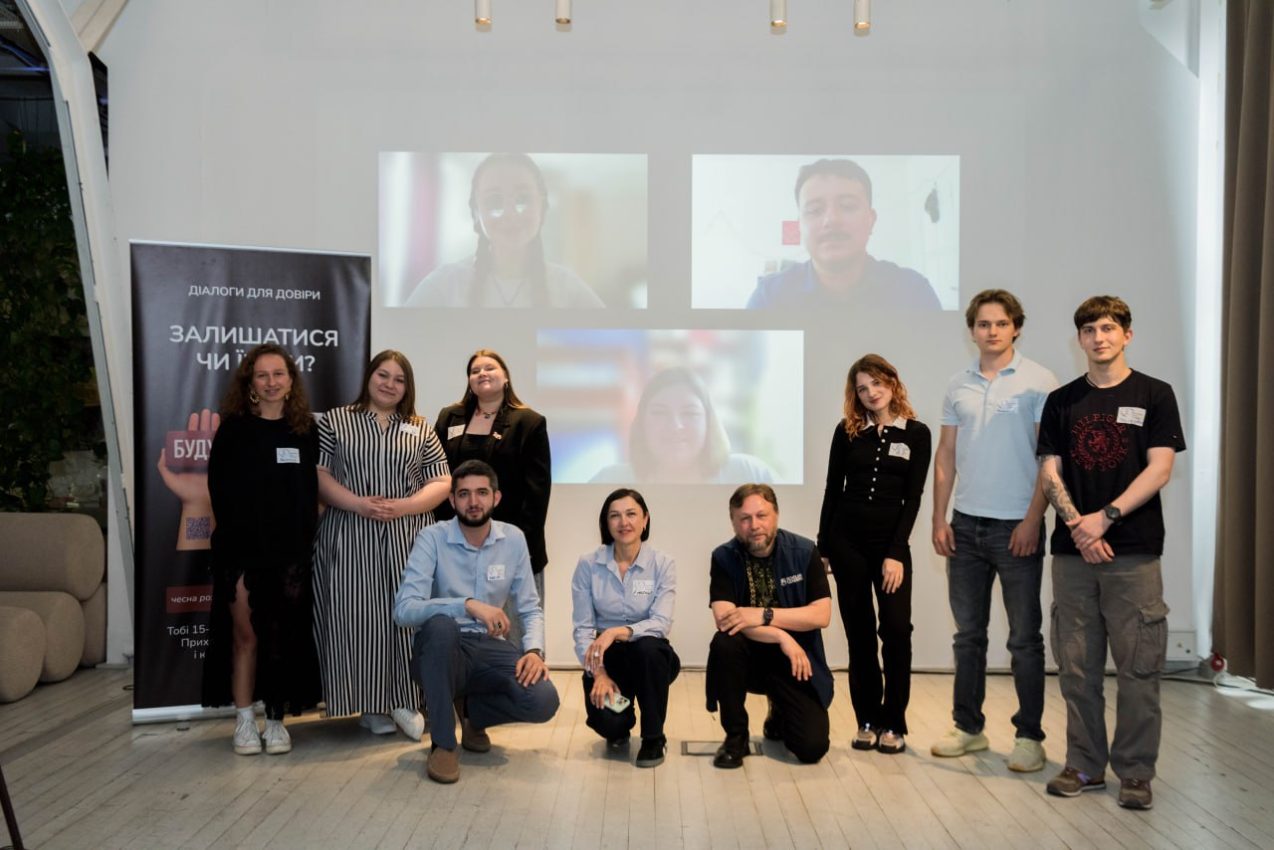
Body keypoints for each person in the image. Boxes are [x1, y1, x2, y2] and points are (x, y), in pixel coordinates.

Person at [1037, 296, 1185, 811]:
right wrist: (1080, 526)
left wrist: (1106, 518)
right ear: (1078, 338)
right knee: (1076, 668)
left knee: (1139, 669)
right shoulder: (1061, 400)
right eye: (1089, 330)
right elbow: (1049, 472)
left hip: (1134, 554)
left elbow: (1160, 468)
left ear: (1127, 334)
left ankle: (1136, 772)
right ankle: (1083, 764)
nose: (1098, 338)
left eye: (1108, 328)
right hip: (1073, 553)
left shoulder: (1155, 394)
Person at [929, 290, 1058, 772]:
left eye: (1001, 323)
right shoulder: (957, 383)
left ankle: (1029, 737)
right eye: (983, 324)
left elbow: (1049, 460)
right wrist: (939, 518)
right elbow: (946, 456)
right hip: (965, 526)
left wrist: (1032, 520)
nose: (992, 331)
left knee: (1024, 639)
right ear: (972, 330)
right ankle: (968, 728)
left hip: (1016, 527)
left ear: (1016, 327)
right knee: (968, 636)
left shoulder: (1039, 381)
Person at [312, 350, 452, 741]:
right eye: (383, 375)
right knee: (359, 618)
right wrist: (358, 503)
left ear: (408, 387)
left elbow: (442, 481)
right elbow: (319, 474)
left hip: (408, 535)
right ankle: (370, 705)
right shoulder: (336, 421)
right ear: (369, 377)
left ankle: (405, 698)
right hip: (350, 532)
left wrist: (403, 506)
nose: (390, 384)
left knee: (407, 616)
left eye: (399, 379)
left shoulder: (420, 428)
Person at [393, 459, 560, 784]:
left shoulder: (513, 539)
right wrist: (468, 606)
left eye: (482, 492)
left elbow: (530, 607)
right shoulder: (432, 538)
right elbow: (405, 609)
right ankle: (443, 743)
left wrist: (534, 651)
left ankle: (472, 713)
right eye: (464, 494)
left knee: (543, 700)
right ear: (452, 500)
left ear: (496, 497)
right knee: (441, 626)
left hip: (489, 646)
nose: (473, 501)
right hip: (441, 650)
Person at [203, 344, 322, 756]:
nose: (271, 382)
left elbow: (312, 492)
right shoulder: (233, 430)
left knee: (280, 638)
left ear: (291, 381)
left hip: (289, 556)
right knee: (246, 636)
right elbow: (218, 493)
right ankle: (243, 720)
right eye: (262, 375)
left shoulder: (305, 430)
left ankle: (274, 720)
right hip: (241, 553)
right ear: (250, 383)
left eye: (278, 374)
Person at [818, 353, 931, 754]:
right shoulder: (847, 432)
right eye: (862, 388)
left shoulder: (917, 434)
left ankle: (894, 722)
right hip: (846, 543)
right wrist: (824, 548)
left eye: (877, 384)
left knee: (896, 631)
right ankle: (866, 719)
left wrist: (896, 552)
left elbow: (913, 498)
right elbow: (833, 488)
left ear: (892, 383)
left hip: (890, 548)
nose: (871, 393)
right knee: (860, 634)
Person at [706, 484, 833, 768]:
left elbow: (821, 615)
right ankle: (736, 736)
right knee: (725, 642)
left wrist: (763, 615)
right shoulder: (723, 557)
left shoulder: (804, 551)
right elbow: (725, 618)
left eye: (761, 516)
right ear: (733, 522)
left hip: (795, 663)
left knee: (811, 748)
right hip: (750, 657)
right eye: (745, 518)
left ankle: (779, 711)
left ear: (776, 515)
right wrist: (781, 637)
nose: (754, 525)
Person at [434, 349, 551, 649]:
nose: (482, 374)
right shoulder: (449, 417)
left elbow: (537, 493)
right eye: (475, 371)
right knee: (457, 638)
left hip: (510, 546)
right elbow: (438, 477)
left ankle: (523, 676)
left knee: (514, 638)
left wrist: (515, 546)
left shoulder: (529, 422)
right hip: (456, 546)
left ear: (506, 377)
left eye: (490, 368)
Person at [403, 153, 604, 309]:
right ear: (476, 213)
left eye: (522, 199)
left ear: (542, 207)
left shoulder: (567, 287)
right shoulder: (444, 285)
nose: (510, 214)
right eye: (494, 201)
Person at [571, 489, 680, 768]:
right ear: (606, 523)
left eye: (631, 514)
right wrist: (599, 673)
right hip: (608, 661)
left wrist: (615, 632)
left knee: (648, 650)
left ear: (645, 520)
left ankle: (653, 738)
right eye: (615, 516)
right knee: (611, 723)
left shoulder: (662, 563)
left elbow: (661, 622)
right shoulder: (588, 564)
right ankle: (622, 716)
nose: (624, 522)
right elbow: (583, 629)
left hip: (649, 657)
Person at [745, 159, 941, 311]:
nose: (831, 220)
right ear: (799, 226)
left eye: (847, 206)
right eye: (815, 210)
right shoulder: (769, 297)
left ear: (871, 220)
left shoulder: (913, 292)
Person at [590, 367, 776, 484]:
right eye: (660, 413)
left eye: (690, 413)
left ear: (709, 423)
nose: (675, 426)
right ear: (642, 424)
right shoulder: (611, 481)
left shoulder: (748, 475)